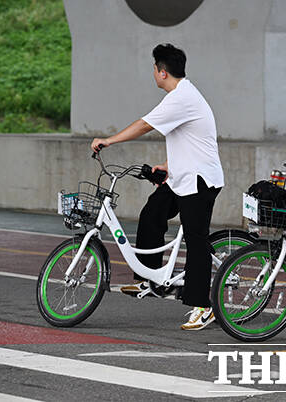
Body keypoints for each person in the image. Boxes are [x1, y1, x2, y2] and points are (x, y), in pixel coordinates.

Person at [90, 43, 224, 331]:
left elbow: (144, 125)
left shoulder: (182, 97)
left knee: (195, 239)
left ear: (162, 72)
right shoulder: (181, 95)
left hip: (200, 181)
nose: (153, 73)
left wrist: (110, 140)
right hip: (181, 176)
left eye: (154, 68)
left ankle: (203, 305)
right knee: (151, 214)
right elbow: (188, 138)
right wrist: (167, 164)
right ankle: (150, 280)